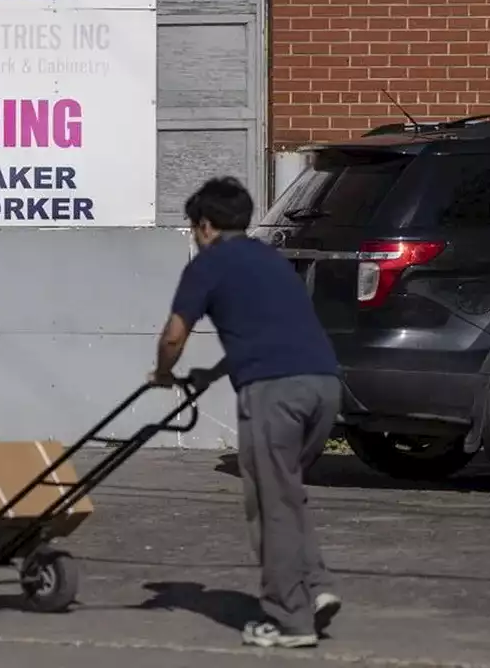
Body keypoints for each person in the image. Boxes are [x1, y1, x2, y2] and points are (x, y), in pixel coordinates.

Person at [150, 176, 343, 649]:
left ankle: (289, 619)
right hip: (323, 386)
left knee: (269, 504)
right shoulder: (270, 259)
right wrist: (209, 377)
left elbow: (175, 335)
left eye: (195, 229)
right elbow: (264, 334)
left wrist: (162, 372)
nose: (196, 237)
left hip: (273, 395)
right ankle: (313, 588)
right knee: (287, 494)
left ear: (207, 225)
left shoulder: (208, 265)